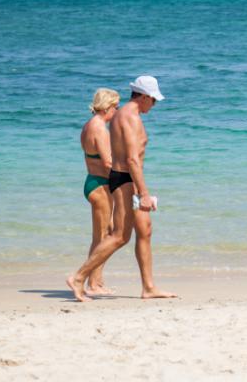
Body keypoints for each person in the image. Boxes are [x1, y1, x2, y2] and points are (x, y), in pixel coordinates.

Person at [66, 75, 177, 302]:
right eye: (153, 100)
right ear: (144, 97)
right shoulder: (129, 118)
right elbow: (132, 159)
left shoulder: (126, 115)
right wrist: (143, 193)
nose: (154, 105)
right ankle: (79, 277)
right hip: (126, 179)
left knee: (145, 231)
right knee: (120, 236)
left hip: (131, 179)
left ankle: (148, 288)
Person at [79, 87, 119, 296]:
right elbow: (108, 162)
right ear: (108, 107)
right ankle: (92, 285)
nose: (116, 112)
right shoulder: (100, 128)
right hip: (100, 185)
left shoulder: (87, 126)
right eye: (116, 107)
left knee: (109, 234)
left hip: (92, 181)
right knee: (102, 237)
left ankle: (97, 281)